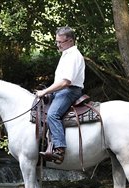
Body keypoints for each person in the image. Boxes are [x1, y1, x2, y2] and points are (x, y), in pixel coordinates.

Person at [36, 26, 85, 164]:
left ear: (70, 41)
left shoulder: (74, 56)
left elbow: (65, 82)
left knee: (52, 114)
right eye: (56, 42)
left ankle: (59, 150)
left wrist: (45, 91)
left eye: (60, 42)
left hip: (70, 91)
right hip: (61, 90)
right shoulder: (66, 54)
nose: (57, 45)